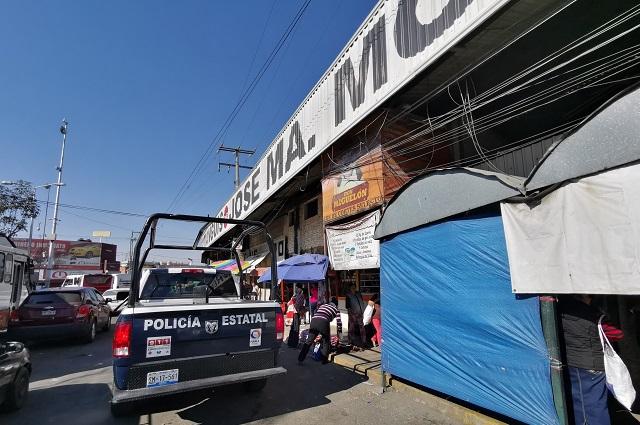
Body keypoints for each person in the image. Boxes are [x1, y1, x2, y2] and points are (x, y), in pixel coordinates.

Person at [559, 294, 624, 425]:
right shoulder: (595, 316)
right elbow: (618, 334)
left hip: (574, 363)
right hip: (591, 366)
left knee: (581, 405)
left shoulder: (562, 310)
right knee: (594, 408)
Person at [298, 297, 342, 364]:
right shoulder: (336, 309)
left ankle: (300, 359)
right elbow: (339, 322)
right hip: (323, 322)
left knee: (308, 341)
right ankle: (324, 360)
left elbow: (317, 313)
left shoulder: (323, 306)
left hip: (314, 321)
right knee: (326, 341)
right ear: (336, 304)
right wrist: (340, 330)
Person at [346, 284, 366, 349]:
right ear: (350, 288)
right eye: (352, 288)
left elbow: (361, 302)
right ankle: (350, 341)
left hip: (360, 313)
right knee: (351, 328)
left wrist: (363, 312)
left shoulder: (358, 294)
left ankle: (363, 341)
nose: (354, 289)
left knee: (362, 327)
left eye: (354, 287)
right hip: (353, 314)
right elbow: (348, 307)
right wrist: (351, 315)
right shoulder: (348, 296)